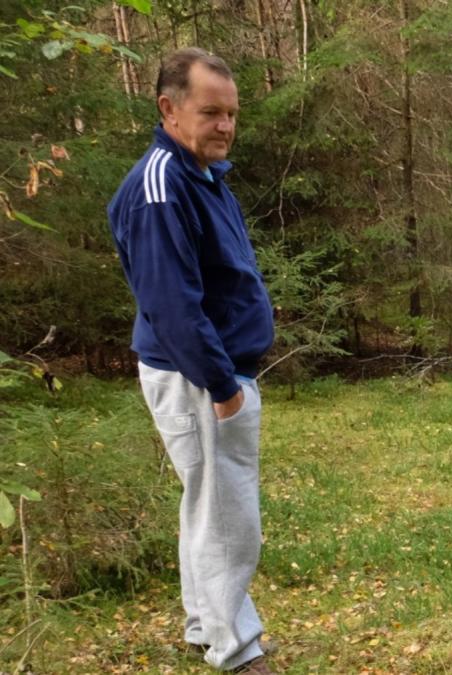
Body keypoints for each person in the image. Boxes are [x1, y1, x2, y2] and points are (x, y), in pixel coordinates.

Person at [107, 48, 275, 674]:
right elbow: (172, 304)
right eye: (210, 112)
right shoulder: (159, 187)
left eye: (231, 114)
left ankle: (206, 625)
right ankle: (236, 649)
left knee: (206, 505)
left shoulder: (204, 176)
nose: (225, 125)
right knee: (230, 518)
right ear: (168, 108)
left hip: (213, 372)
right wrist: (220, 384)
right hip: (198, 377)